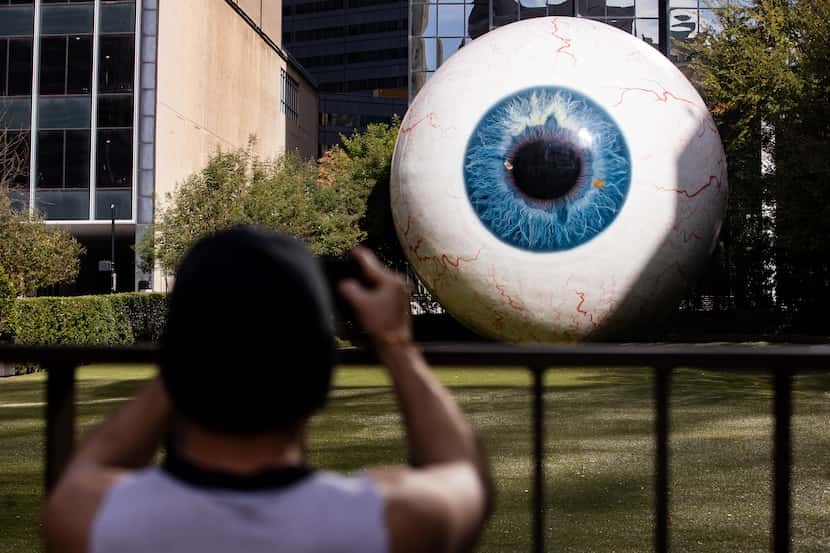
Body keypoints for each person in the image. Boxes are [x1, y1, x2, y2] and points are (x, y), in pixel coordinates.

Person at [44, 225, 493, 553]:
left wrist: (198, 344)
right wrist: (396, 344)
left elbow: (90, 468)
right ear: (319, 375)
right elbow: (463, 473)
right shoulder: (390, 522)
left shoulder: (95, 521)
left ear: (180, 364)